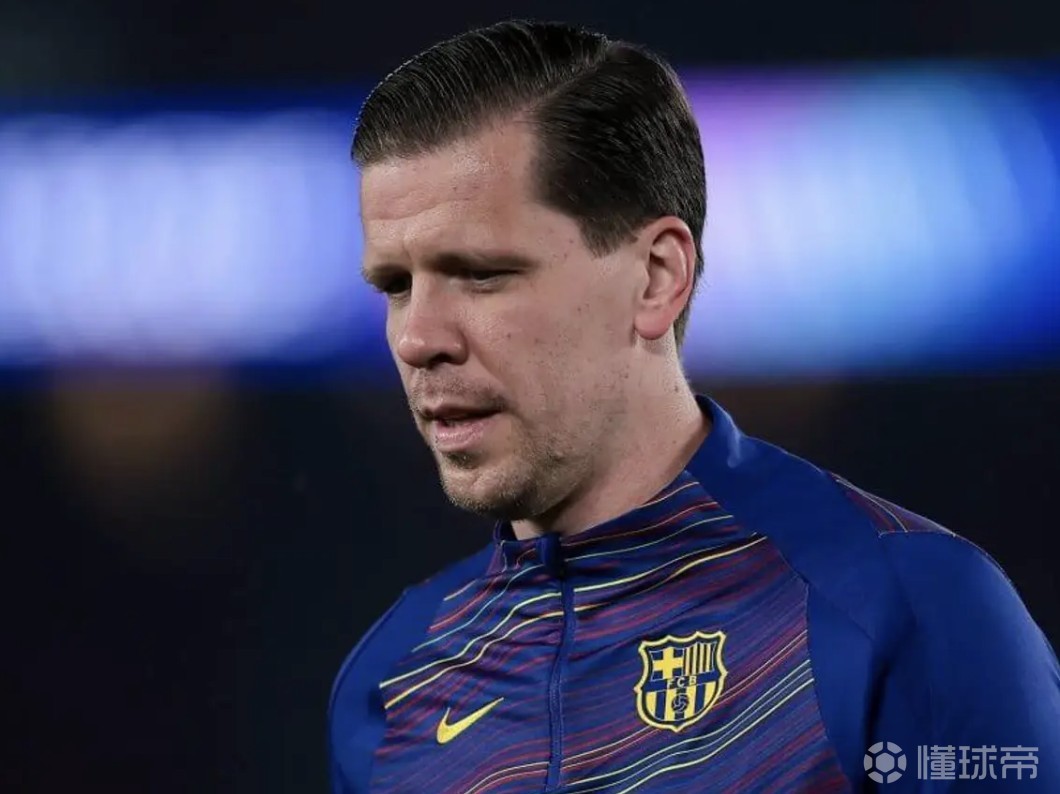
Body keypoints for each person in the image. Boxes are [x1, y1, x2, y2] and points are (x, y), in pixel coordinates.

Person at [328, 19, 1060, 793]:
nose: (417, 339)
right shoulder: (392, 683)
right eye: (395, 286)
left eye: (481, 274)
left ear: (656, 278)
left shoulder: (900, 610)